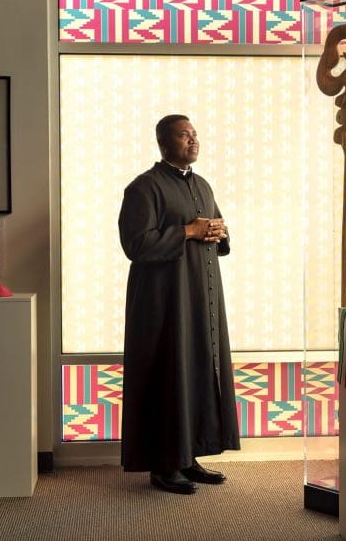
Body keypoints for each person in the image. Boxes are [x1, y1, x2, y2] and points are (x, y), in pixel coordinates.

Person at [118, 114, 240, 495]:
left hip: (200, 299)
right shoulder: (144, 187)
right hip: (162, 303)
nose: (193, 140)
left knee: (197, 370)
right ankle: (162, 465)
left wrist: (220, 232)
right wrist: (189, 230)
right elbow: (135, 244)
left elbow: (215, 229)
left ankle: (189, 456)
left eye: (195, 134)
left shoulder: (202, 184)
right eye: (184, 135)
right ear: (164, 143)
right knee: (167, 373)